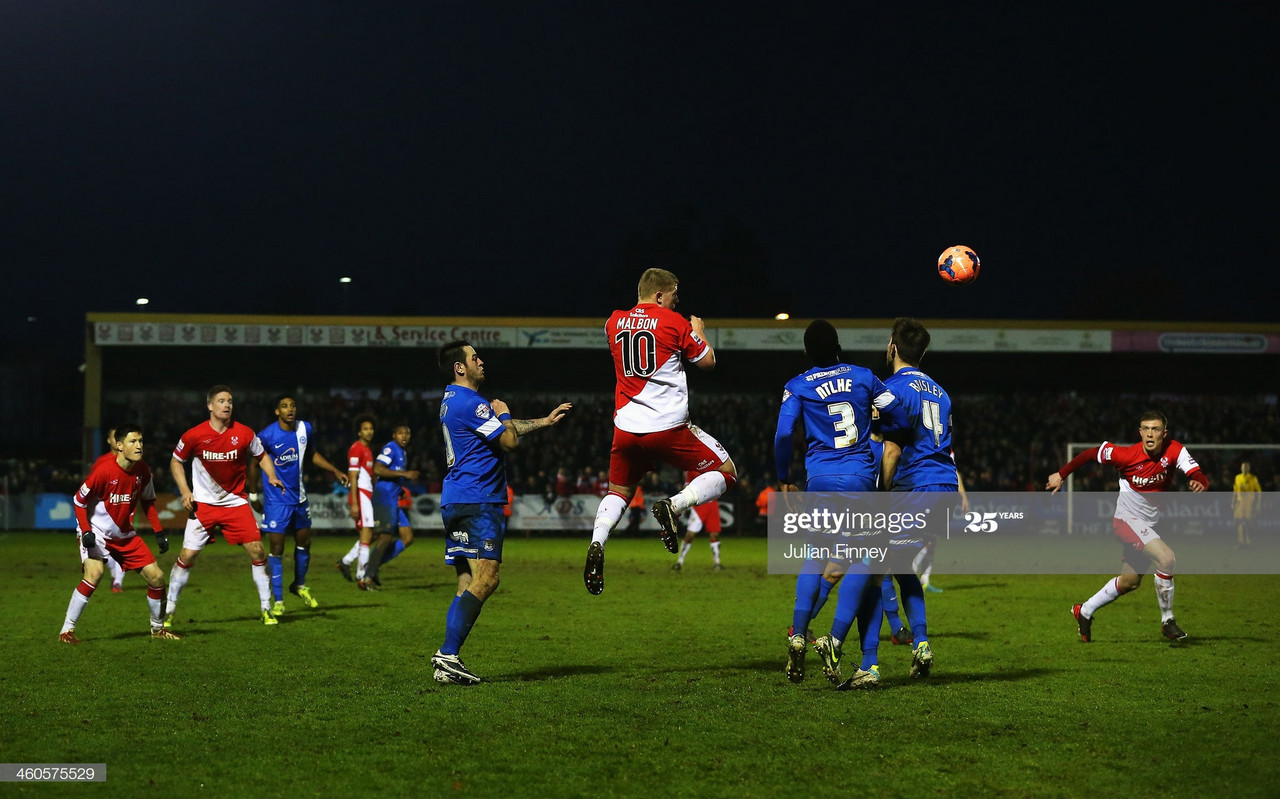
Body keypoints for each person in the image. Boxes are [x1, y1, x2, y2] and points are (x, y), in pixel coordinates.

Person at [584, 267, 737, 595]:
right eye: (674, 294)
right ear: (659, 295)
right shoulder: (675, 321)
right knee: (726, 471)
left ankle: (597, 542)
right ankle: (675, 506)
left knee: (618, 491)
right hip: (668, 427)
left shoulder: (613, 322)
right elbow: (708, 362)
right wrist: (699, 331)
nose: (677, 299)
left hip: (625, 428)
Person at [431, 340, 571, 685]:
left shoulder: (452, 401)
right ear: (459, 367)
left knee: (467, 580)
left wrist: (543, 422)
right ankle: (447, 654)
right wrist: (504, 412)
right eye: (474, 357)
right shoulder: (473, 402)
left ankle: (446, 661)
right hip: (480, 499)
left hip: (456, 498)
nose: (482, 361)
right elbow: (508, 440)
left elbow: (493, 433)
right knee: (488, 578)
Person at [775, 320, 898, 688]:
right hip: (860, 478)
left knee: (815, 556)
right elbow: (897, 413)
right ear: (839, 346)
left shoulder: (797, 385)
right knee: (863, 560)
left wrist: (785, 478)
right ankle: (836, 639)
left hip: (820, 480)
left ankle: (798, 633)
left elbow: (783, 433)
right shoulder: (864, 376)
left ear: (806, 353)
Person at [1048, 410, 1208, 642]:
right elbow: (1091, 454)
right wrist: (1061, 475)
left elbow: (1198, 473)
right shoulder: (1125, 455)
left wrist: (1199, 481)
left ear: (1164, 433)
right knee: (1166, 558)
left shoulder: (1175, 450)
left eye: (1155, 429)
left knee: (1130, 581)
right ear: (1140, 432)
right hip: (1126, 521)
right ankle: (1168, 621)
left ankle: (1084, 611)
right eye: (1146, 429)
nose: (1150, 434)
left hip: (1149, 525)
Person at [878, 317, 960, 679]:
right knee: (897, 563)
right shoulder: (941, 392)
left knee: (871, 557)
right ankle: (920, 641)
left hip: (916, 487)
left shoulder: (892, 389)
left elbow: (892, 449)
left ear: (893, 347)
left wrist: (879, 496)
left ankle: (869, 651)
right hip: (944, 488)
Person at [166, 385, 285, 628]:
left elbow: (261, 455)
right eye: (221, 401)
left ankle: (266, 608)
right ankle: (168, 610)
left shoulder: (244, 433)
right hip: (204, 505)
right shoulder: (194, 435)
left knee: (258, 552)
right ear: (210, 406)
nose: (227, 404)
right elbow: (176, 462)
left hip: (235, 503)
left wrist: (271, 475)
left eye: (230, 401)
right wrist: (185, 491)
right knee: (187, 556)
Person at [60, 423, 180, 643]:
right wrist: (86, 531)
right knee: (94, 574)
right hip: (97, 533)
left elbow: (149, 502)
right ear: (119, 445)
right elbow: (78, 500)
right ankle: (67, 631)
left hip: (124, 535)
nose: (139, 445)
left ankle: (157, 629)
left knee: (157, 577)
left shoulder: (143, 470)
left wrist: (159, 532)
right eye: (133, 441)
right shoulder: (104, 471)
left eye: (141, 441)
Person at [251, 395, 350, 614]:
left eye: (292, 405)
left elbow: (312, 454)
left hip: (300, 498)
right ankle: (278, 600)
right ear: (277, 411)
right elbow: (253, 462)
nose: (290, 409)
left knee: (305, 541)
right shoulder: (267, 435)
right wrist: (253, 494)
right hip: (276, 500)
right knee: (277, 548)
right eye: (284, 406)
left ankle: (299, 584)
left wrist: (335, 470)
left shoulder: (305, 429)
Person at [359, 423, 420, 590]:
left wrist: (399, 488)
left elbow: (390, 474)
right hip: (384, 497)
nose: (404, 436)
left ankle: (373, 566)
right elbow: (378, 469)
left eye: (407, 433)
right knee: (385, 537)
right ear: (394, 435)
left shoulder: (403, 453)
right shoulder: (390, 448)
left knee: (407, 538)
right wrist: (404, 474)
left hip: (394, 497)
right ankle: (367, 577)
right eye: (400, 433)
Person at [336, 414, 377, 582]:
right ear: (359, 432)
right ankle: (362, 576)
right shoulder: (356, 449)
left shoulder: (367, 450)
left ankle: (345, 562)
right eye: (365, 429)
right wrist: (354, 503)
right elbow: (353, 476)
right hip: (360, 494)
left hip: (366, 495)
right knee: (367, 532)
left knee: (369, 534)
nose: (369, 432)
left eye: (371, 429)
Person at [90, 427, 128, 593]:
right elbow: (90, 486)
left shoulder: (130, 461)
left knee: (122, 545)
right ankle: (114, 575)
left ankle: (117, 581)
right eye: (114, 437)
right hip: (104, 511)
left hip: (125, 508)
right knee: (108, 547)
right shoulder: (101, 462)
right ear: (109, 441)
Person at [672, 470, 724, 571]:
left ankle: (717, 562)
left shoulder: (714, 467)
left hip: (712, 505)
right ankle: (680, 561)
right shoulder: (692, 470)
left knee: (715, 534)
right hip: (699, 506)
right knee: (690, 535)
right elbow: (686, 488)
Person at [1233, 460, 1262, 547]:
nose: (1245, 468)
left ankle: (1249, 540)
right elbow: (1235, 491)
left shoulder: (1253, 478)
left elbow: (1259, 491)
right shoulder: (1237, 477)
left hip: (1249, 503)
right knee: (1239, 522)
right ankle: (1241, 541)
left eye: (1246, 467)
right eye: (1243, 467)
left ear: (1248, 468)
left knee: (1249, 522)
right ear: (1241, 468)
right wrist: (1233, 502)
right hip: (1240, 503)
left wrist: (1258, 503)